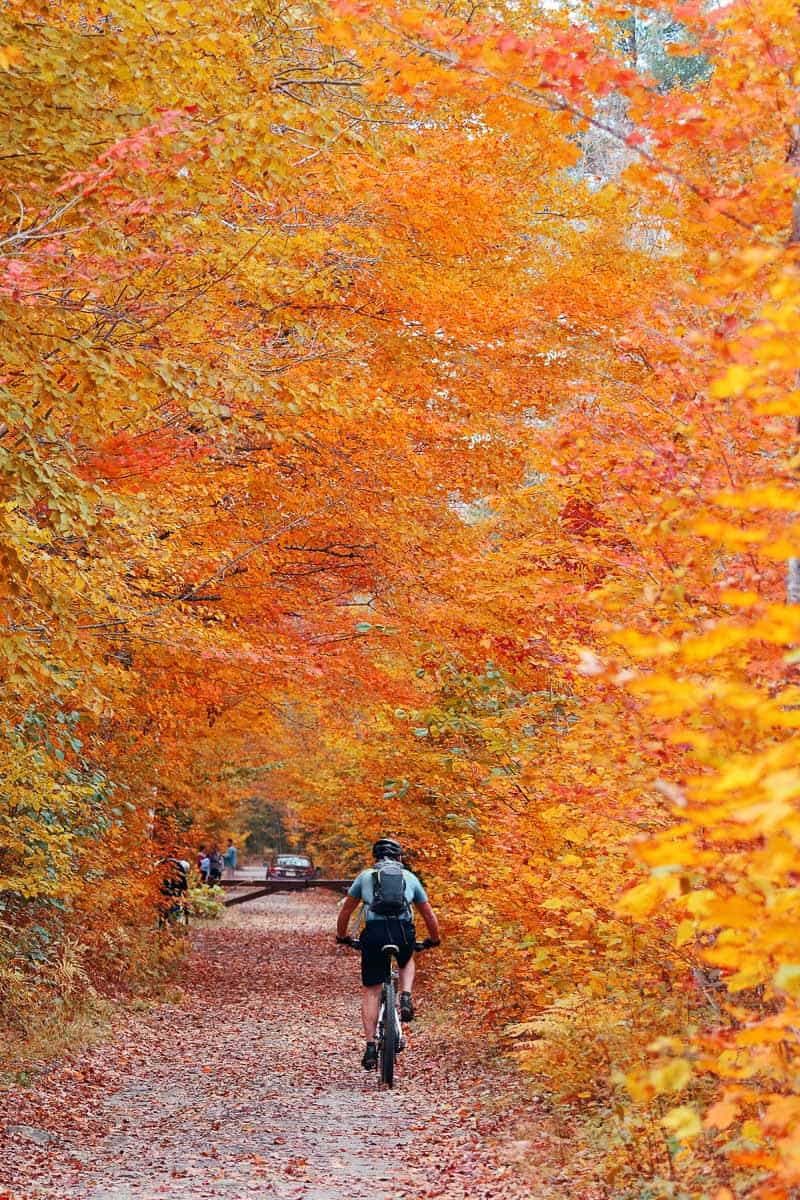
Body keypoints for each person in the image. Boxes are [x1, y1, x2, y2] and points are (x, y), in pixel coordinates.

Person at [336, 836, 440, 1070]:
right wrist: (434, 939)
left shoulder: (365, 877)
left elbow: (346, 911)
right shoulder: (409, 878)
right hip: (402, 932)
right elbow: (428, 914)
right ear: (399, 857)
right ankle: (405, 996)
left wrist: (342, 936)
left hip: (374, 934)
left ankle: (371, 1046)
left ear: (375, 857)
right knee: (406, 958)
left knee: (371, 990)